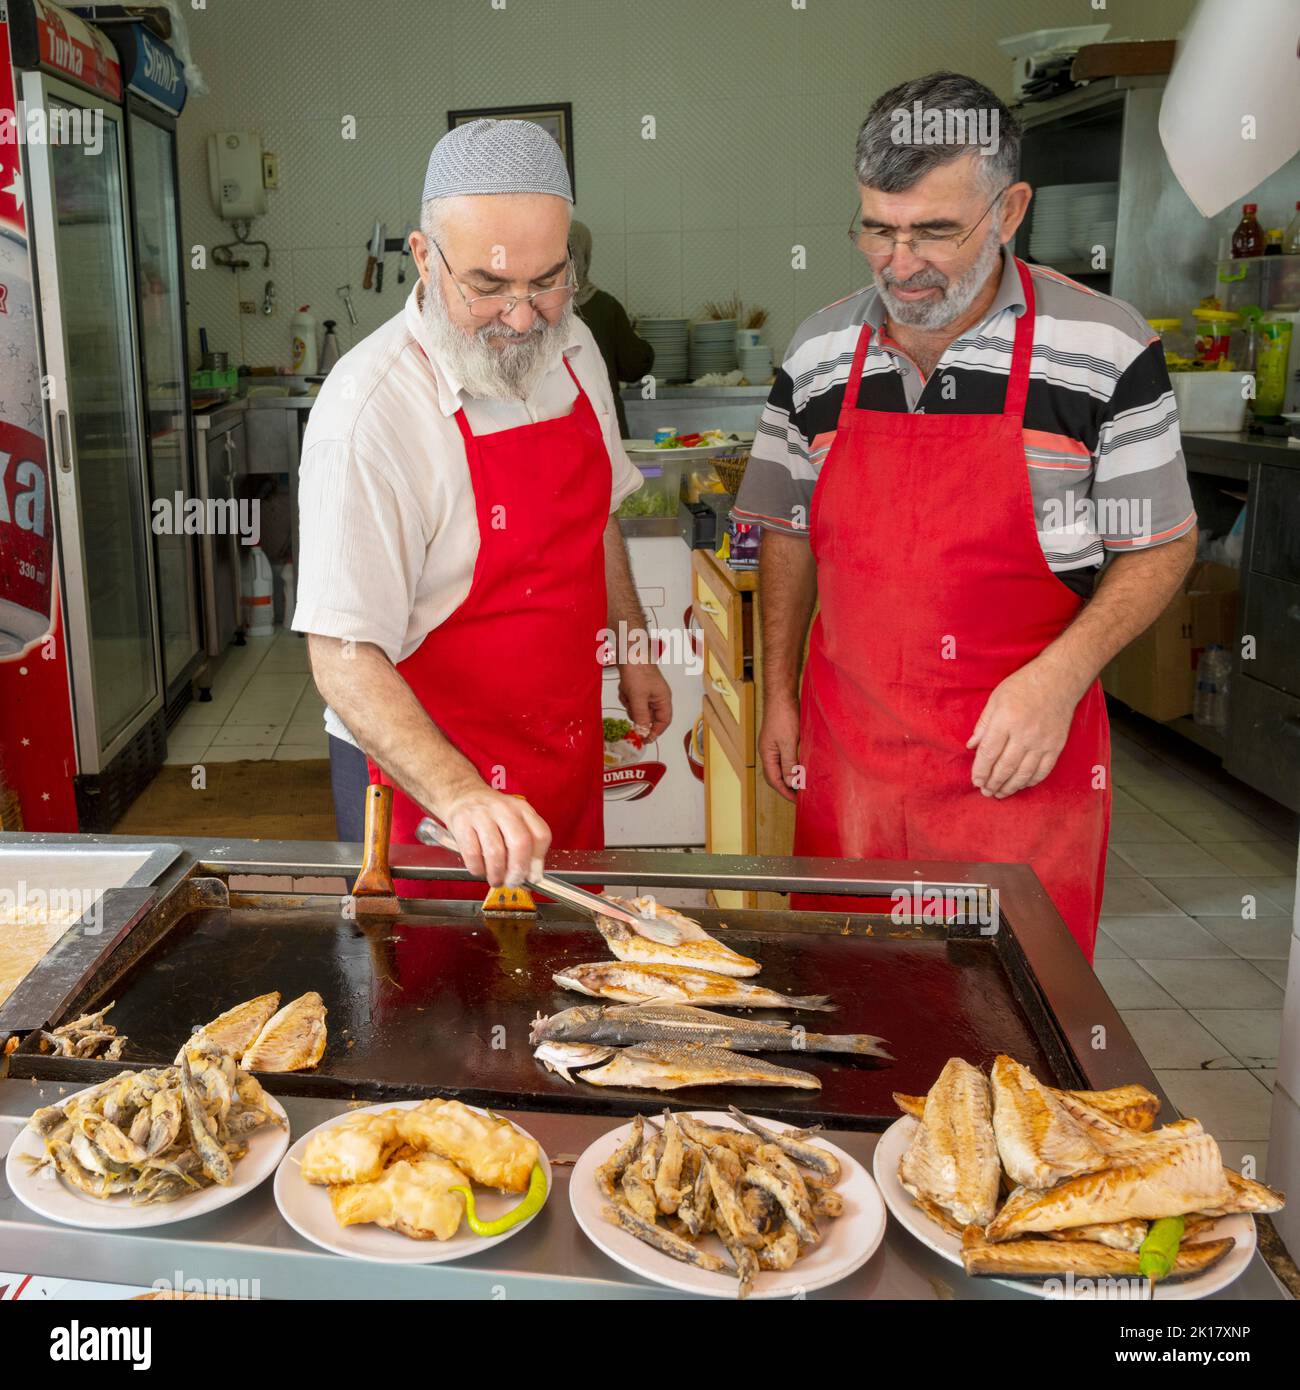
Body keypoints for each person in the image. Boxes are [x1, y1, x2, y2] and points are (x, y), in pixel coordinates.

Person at [732, 72, 1197, 961]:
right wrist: (779, 693)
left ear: (1011, 209)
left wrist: (1058, 679)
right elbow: (786, 531)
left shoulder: (1107, 348)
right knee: (855, 1013)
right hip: (853, 763)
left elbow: (1162, 545)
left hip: (1016, 774)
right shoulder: (819, 352)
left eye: (936, 231)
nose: (900, 264)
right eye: (878, 228)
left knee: (1009, 1045)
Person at [293, 120, 672, 890]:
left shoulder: (574, 348)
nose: (524, 316)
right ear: (425, 258)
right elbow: (341, 652)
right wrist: (463, 793)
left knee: (570, 976)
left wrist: (630, 638)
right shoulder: (370, 412)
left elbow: (596, 511)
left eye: (549, 280)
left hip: (560, 748)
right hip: (426, 789)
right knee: (429, 1001)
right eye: (489, 287)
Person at [568, 221, 654, 437]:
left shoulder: (534, 307)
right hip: (604, 429)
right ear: (585, 255)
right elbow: (633, 367)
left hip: (558, 432)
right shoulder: (604, 307)